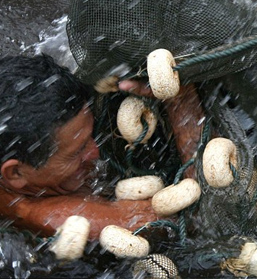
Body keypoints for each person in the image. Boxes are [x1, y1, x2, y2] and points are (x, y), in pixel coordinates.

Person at [0, 54, 204, 240]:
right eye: (76, 152)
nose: (95, 152)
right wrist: (179, 98)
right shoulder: (58, 219)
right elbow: (191, 217)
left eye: (90, 135)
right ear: (16, 173)